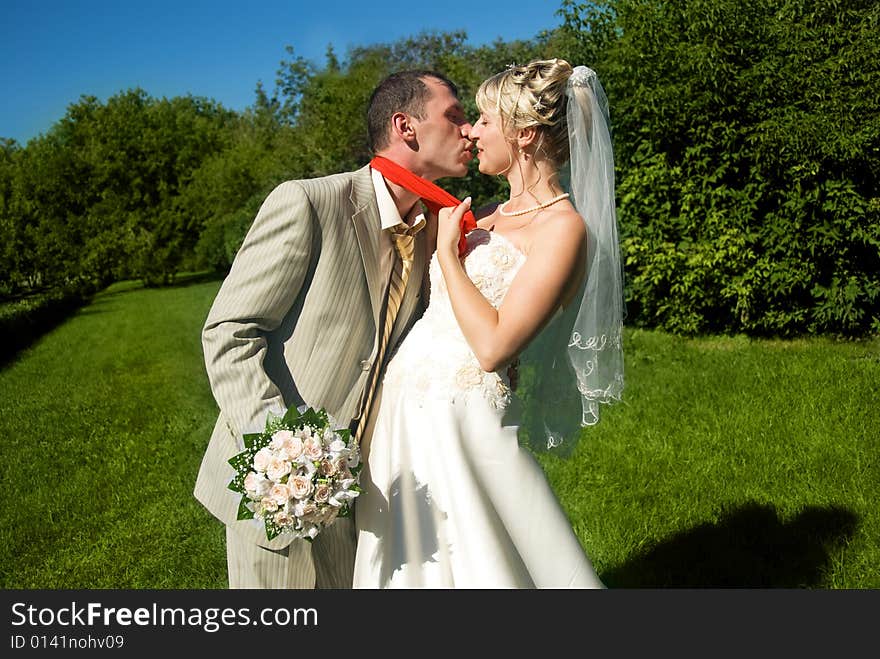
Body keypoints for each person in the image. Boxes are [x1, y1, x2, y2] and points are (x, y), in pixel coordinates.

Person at [193, 70, 474, 589]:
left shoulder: (435, 226)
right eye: (454, 115)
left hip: (367, 493)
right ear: (405, 126)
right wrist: (278, 451)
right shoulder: (309, 203)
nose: (471, 130)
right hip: (276, 489)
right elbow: (230, 331)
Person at [352, 58, 625, 588]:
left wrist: (450, 257)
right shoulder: (487, 217)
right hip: (407, 408)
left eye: (482, 119)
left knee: (480, 562)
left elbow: (495, 346)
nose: (471, 132)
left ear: (523, 136)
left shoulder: (562, 229)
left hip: (467, 415)